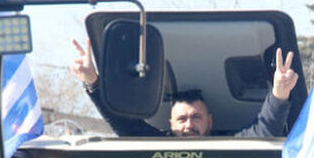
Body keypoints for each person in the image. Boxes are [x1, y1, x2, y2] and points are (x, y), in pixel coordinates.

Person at [71, 39, 298, 137]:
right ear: (170, 124)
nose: (188, 124)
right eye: (181, 119)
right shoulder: (155, 150)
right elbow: (124, 124)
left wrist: (279, 91)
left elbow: (265, 130)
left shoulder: (231, 149)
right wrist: (92, 80)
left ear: (210, 121)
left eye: (195, 117)